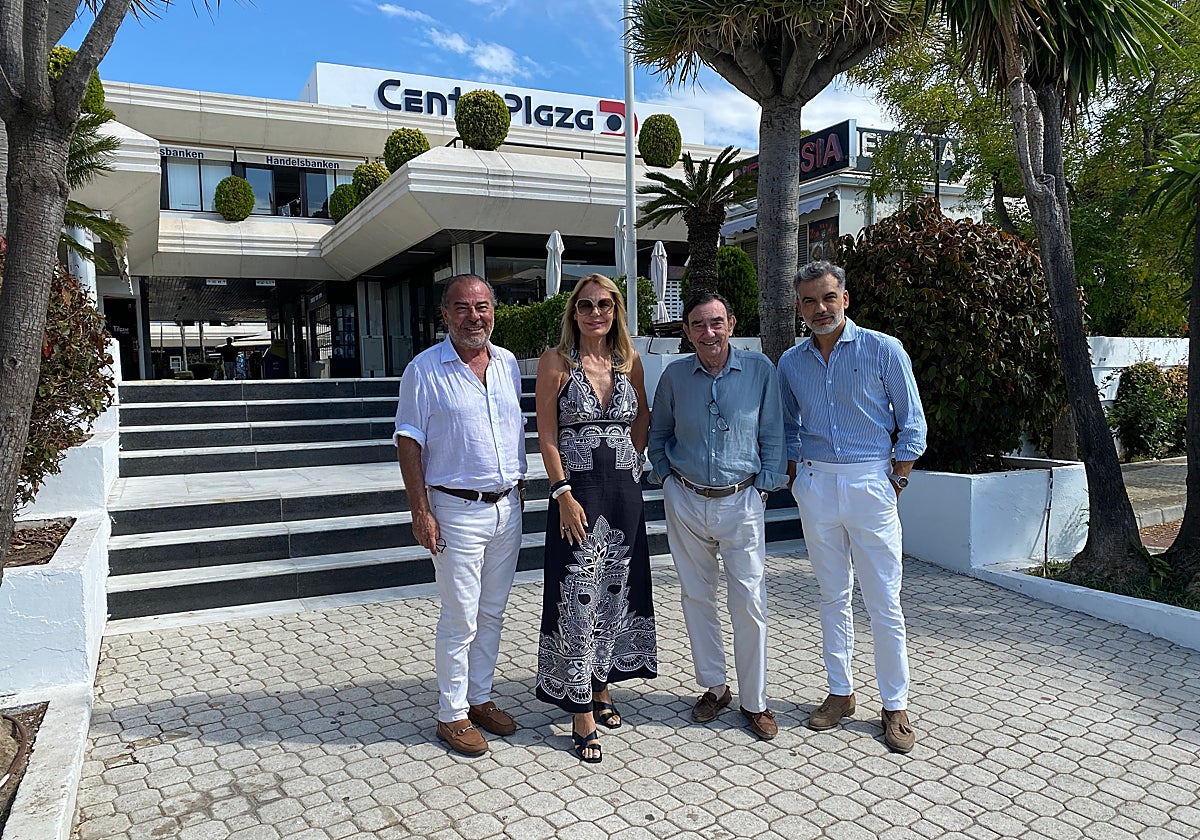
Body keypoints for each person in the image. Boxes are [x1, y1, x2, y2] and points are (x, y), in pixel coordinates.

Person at [777, 260, 927, 754]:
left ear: (845, 298)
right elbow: (787, 425)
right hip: (818, 484)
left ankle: (895, 703)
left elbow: (913, 423)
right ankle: (840, 693)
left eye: (827, 298)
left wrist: (897, 480)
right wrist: (799, 476)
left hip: (872, 482)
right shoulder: (792, 362)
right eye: (808, 301)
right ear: (799, 307)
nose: (819, 309)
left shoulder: (883, 349)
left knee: (884, 600)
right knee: (832, 596)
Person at [394, 274, 527, 758]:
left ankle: (480, 698)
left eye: (483, 307)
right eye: (463, 308)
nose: (475, 316)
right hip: (453, 510)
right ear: (445, 315)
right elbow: (408, 440)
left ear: (494, 310)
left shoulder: (509, 364)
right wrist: (420, 511)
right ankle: (451, 714)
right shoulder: (424, 370)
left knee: (492, 612)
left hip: (507, 507)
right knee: (460, 617)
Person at [647, 292, 787, 741]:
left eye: (716, 323)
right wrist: (666, 477)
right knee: (696, 596)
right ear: (686, 331)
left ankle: (755, 700)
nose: (708, 333)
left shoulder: (760, 370)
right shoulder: (673, 377)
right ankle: (714, 686)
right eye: (698, 325)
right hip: (685, 498)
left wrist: (763, 489)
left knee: (749, 601)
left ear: (731, 323)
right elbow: (659, 434)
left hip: (741, 499)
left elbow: (773, 432)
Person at [534, 274, 658, 764]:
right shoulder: (556, 362)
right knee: (577, 592)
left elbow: (643, 417)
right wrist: (562, 493)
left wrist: (633, 456)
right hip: (577, 494)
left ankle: (603, 684)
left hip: (624, 493)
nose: (595, 313)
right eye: (585, 305)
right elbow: (545, 433)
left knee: (617, 590)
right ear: (574, 312)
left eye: (604, 304)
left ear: (616, 310)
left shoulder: (629, 361)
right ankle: (580, 708)